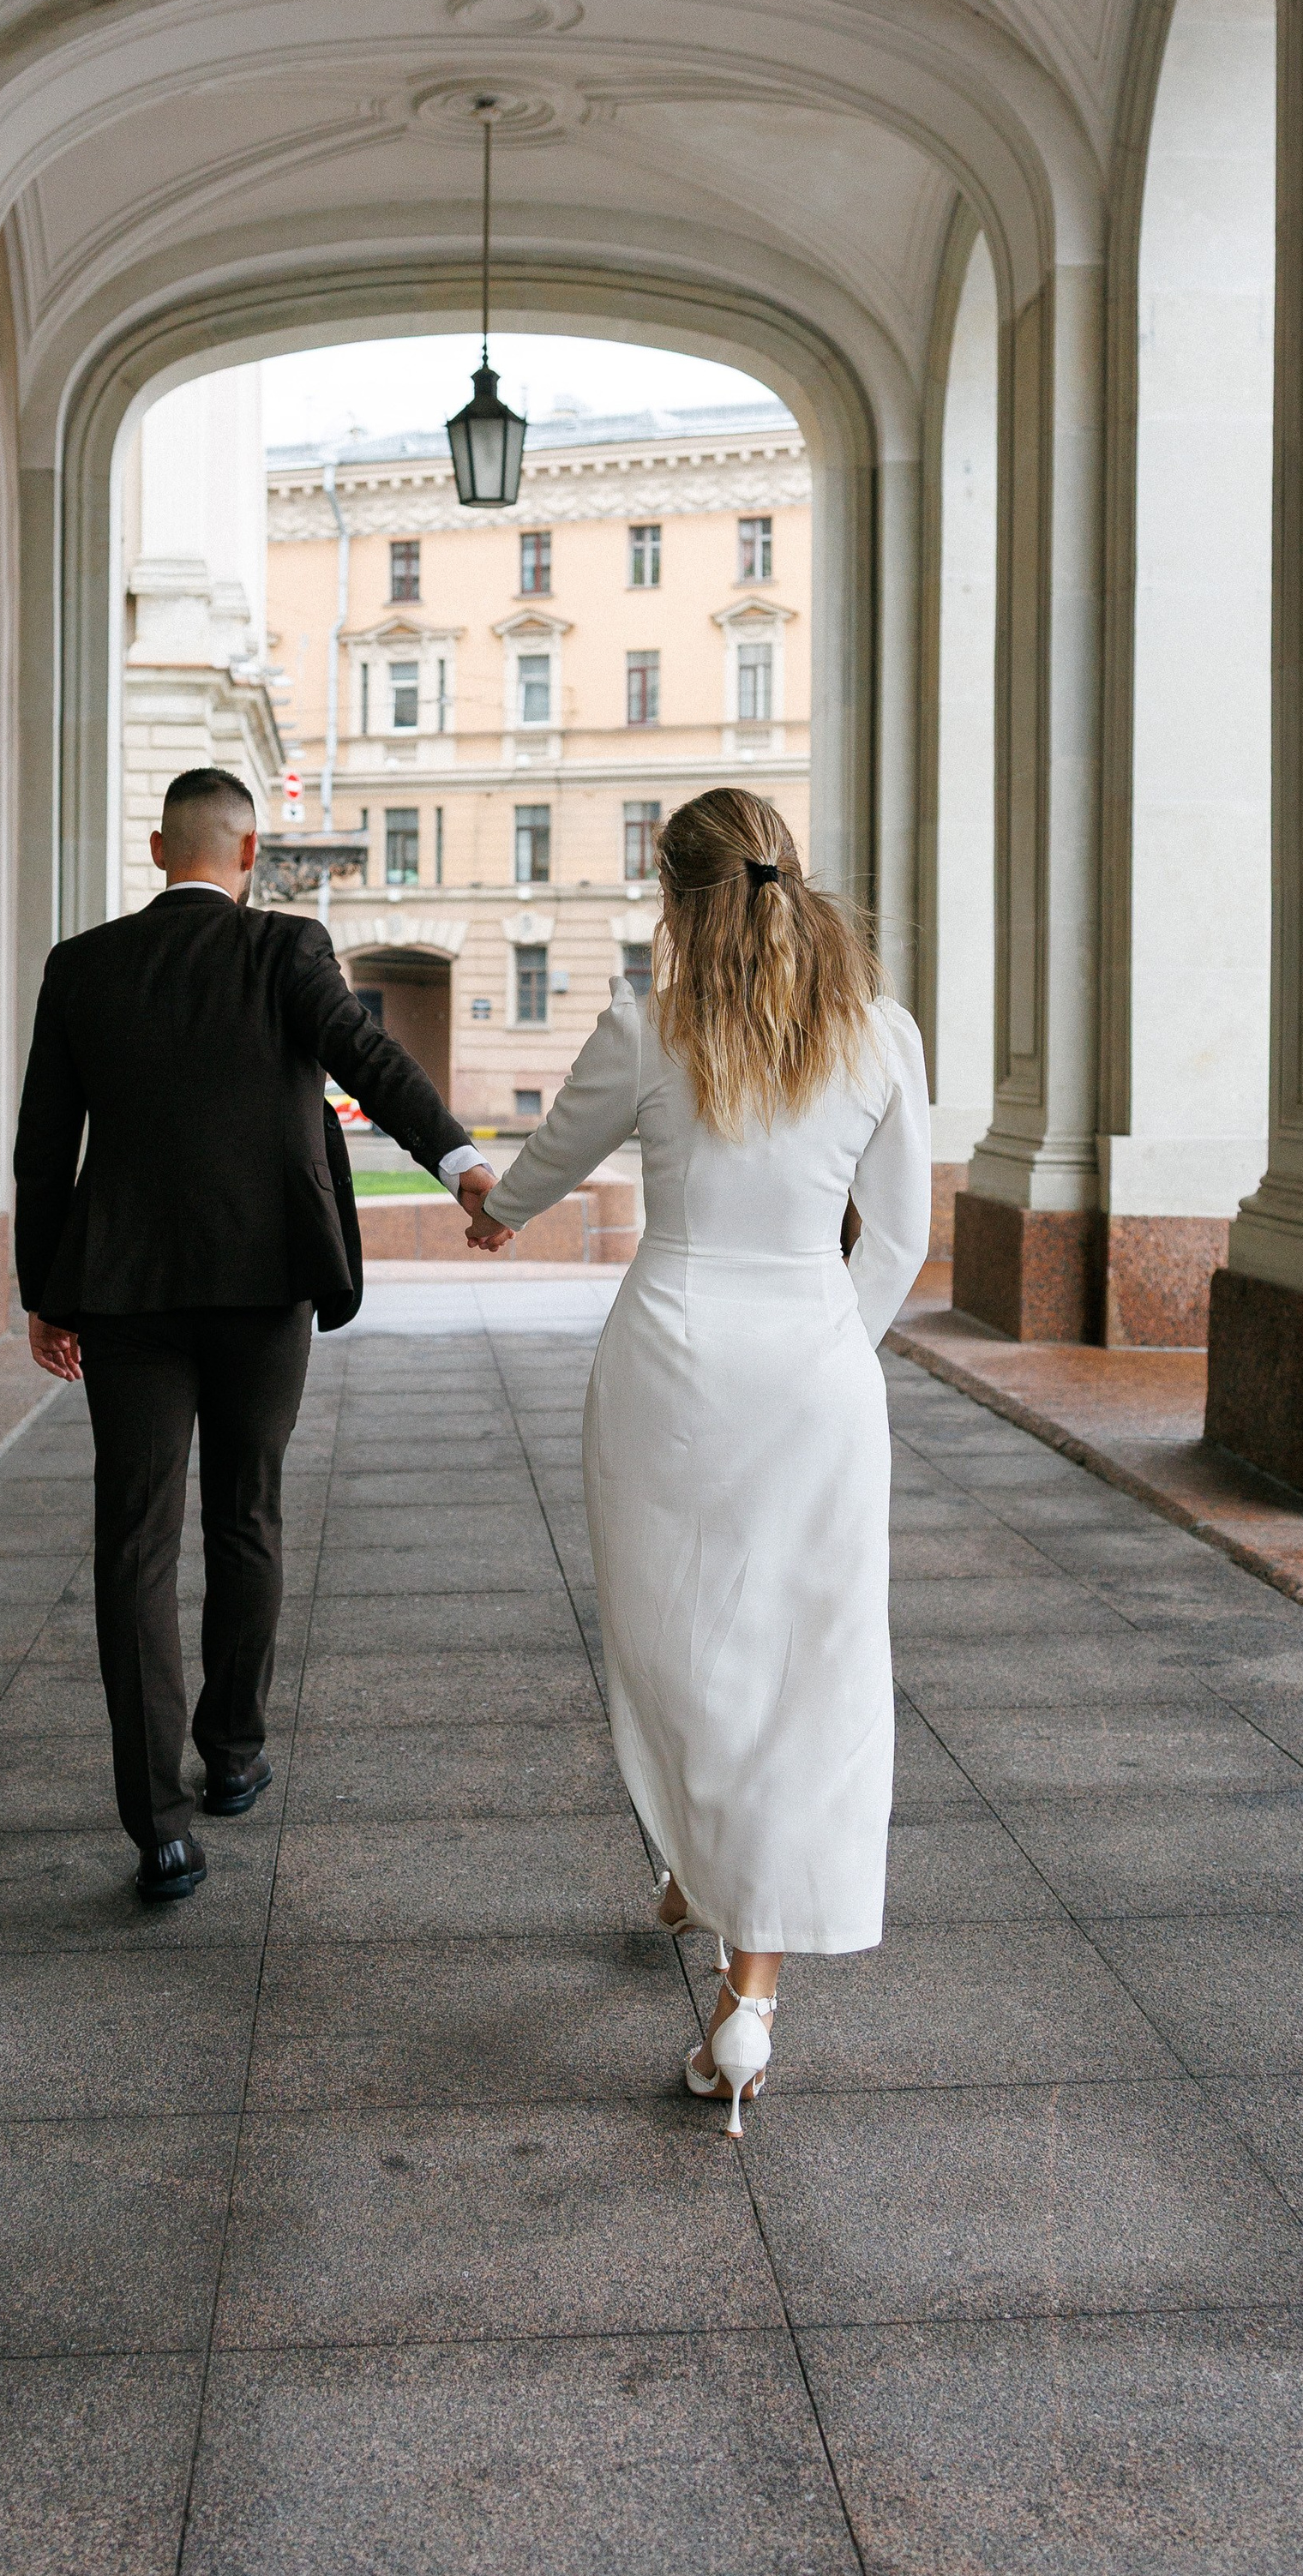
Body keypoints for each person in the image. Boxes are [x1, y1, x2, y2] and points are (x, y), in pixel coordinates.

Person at [465, 784, 929, 2129]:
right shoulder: (877, 1033)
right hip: (815, 1370)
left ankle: (706, 1877)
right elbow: (895, 1241)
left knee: (677, 1642)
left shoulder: (645, 1028)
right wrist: (832, 1351)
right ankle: (750, 1986)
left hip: (667, 1367)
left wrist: (493, 1212)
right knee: (805, 1657)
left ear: (672, 898)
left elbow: (541, 1172)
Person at [14, 766, 495, 1903]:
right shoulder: (287, 950)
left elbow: (43, 1149)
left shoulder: (82, 967)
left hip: (127, 1296)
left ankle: (160, 1829)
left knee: (134, 1543)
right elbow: (366, 1062)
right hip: (265, 1283)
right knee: (248, 1513)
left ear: (154, 848)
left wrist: (47, 1293)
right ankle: (231, 1756)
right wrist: (462, 1163)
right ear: (250, 854)